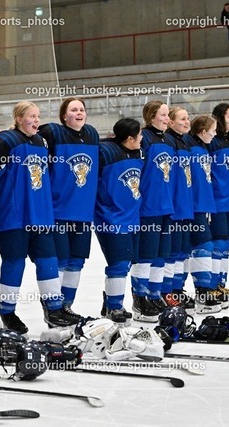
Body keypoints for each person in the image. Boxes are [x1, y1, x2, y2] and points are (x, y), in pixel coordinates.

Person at [0, 101, 77, 333]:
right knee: (14, 263)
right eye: (31, 116)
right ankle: (7, 311)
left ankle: (54, 308)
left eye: (38, 116)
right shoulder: (4, 141)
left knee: (47, 260)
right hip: (14, 216)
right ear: (19, 118)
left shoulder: (41, 142)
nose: (37, 121)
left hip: (41, 215)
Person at [38, 97, 99, 320]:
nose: (79, 112)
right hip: (58, 211)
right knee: (60, 261)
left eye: (82, 109)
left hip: (83, 212)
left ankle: (67, 306)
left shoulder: (92, 134)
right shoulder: (53, 132)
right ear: (64, 116)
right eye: (74, 110)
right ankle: (52, 308)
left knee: (76, 262)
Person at [94, 118, 144, 323]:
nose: (142, 138)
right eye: (139, 135)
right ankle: (115, 306)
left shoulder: (139, 151)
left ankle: (109, 301)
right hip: (111, 218)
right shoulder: (105, 152)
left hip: (132, 216)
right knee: (119, 264)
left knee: (128, 263)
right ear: (130, 138)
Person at [130, 100, 173, 322]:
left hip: (166, 205)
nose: (167, 118)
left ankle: (155, 294)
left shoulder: (168, 139)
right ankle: (139, 297)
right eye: (163, 115)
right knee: (145, 255)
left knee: (160, 255)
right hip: (148, 206)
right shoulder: (143, 137)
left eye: (167, 115)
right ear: (151, 116)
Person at [187, 115, 222, 313]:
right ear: (202, 131)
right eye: (213, 130)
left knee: (201, 246)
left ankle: (200, 291)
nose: (215, 134)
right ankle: (202, 292)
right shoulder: (189, 145)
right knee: (203, 245)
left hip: (202, 205)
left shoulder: (204, 146)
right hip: (190, 205)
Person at [163, 107, 195, 312]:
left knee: (184, 252)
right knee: (171, 252)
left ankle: (177, 288)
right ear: (171, 122)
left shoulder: (186, 141)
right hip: (173, 205)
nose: (187, 121)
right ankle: (166, 292)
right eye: (182, 119)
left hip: (186, 204)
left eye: (188, 118)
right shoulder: (168, 141)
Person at [209, 103, 229, 303]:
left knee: (226, 245)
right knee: (217, 244)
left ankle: (220, 283)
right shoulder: (212, 142)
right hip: (218, 201)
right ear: (220, 118)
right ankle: (211, 285)